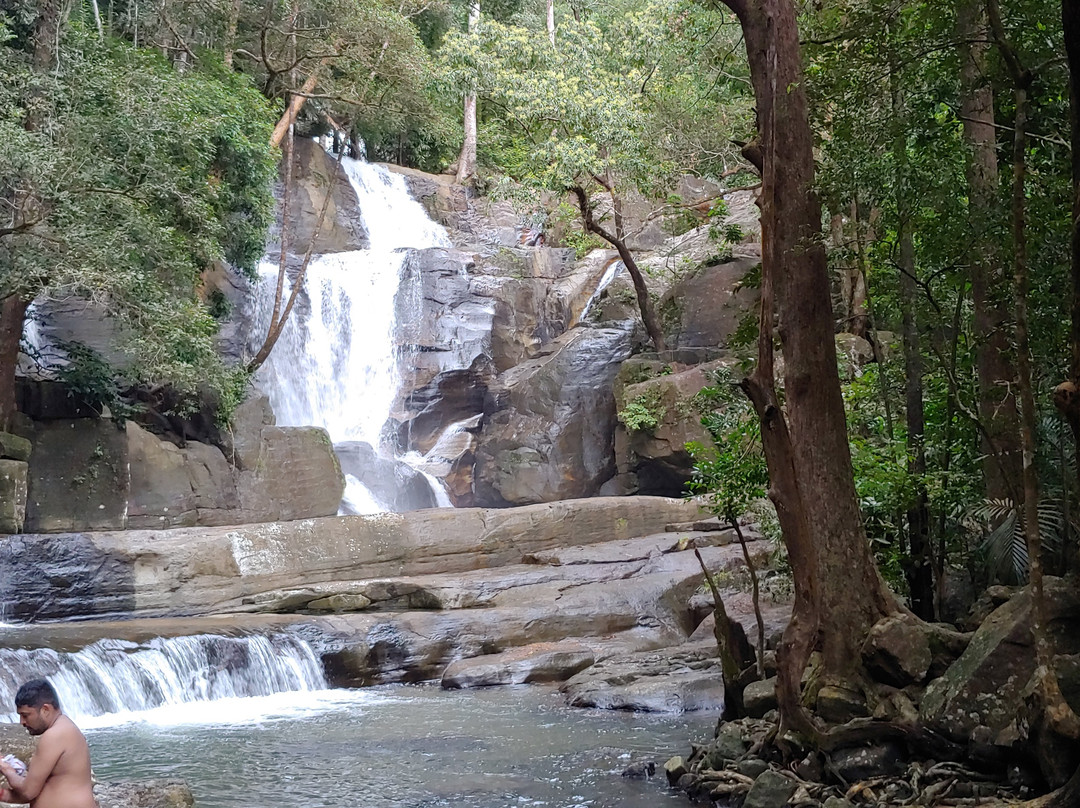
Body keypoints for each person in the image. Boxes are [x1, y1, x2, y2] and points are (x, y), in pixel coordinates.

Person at [0, 680, 95, 808]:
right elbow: (36, 790)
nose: (21, 722)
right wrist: (2, 794)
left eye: (25, 715)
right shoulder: (65, 727)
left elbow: (28, 791)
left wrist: (6, 769)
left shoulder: (54, 736)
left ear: (45, 709)